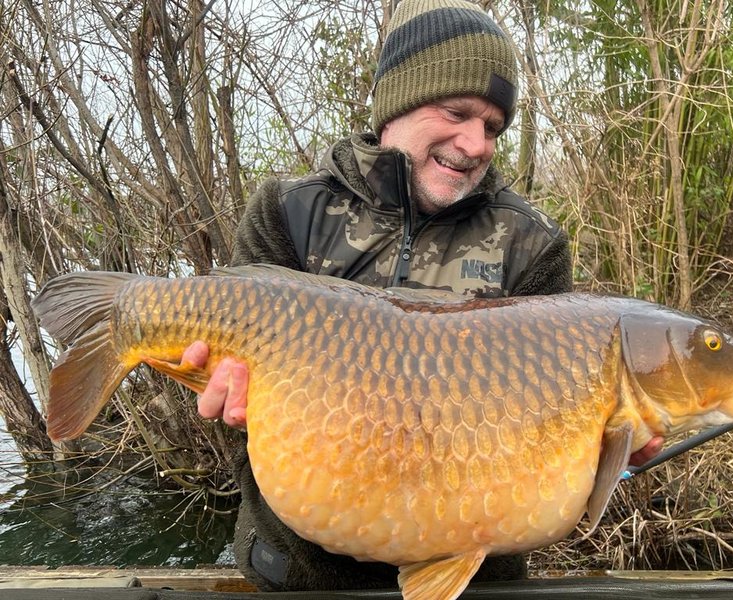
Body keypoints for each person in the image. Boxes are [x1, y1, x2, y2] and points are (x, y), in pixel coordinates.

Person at [183, 0, 663, 591]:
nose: (476, 143)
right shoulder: (289, 210)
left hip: (479, 571)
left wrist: (610, 443)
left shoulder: (531, 244)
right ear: (398, 103)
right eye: (456, 112)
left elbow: (561, 432)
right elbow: (234, 393)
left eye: (492, 127)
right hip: (298, 569)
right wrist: (223, 385)